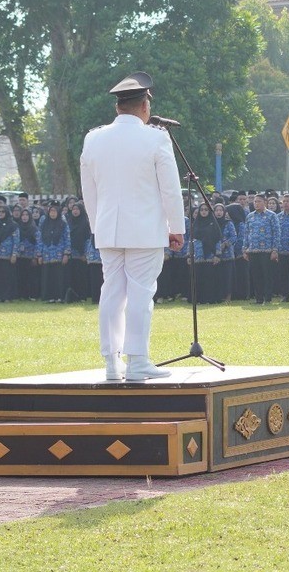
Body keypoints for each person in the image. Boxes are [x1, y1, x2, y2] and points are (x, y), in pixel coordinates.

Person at [79, 72, 185, 381]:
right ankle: (137, 361)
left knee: (112, 293)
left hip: (108, 230)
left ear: (118, 107)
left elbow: (89, 190)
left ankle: (112, 363)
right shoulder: (156, 138)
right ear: (145, 106)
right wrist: (176, 226)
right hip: (145, 231)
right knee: (140, 295)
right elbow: (170, 189)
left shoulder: (93, 138)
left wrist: (97, 226)